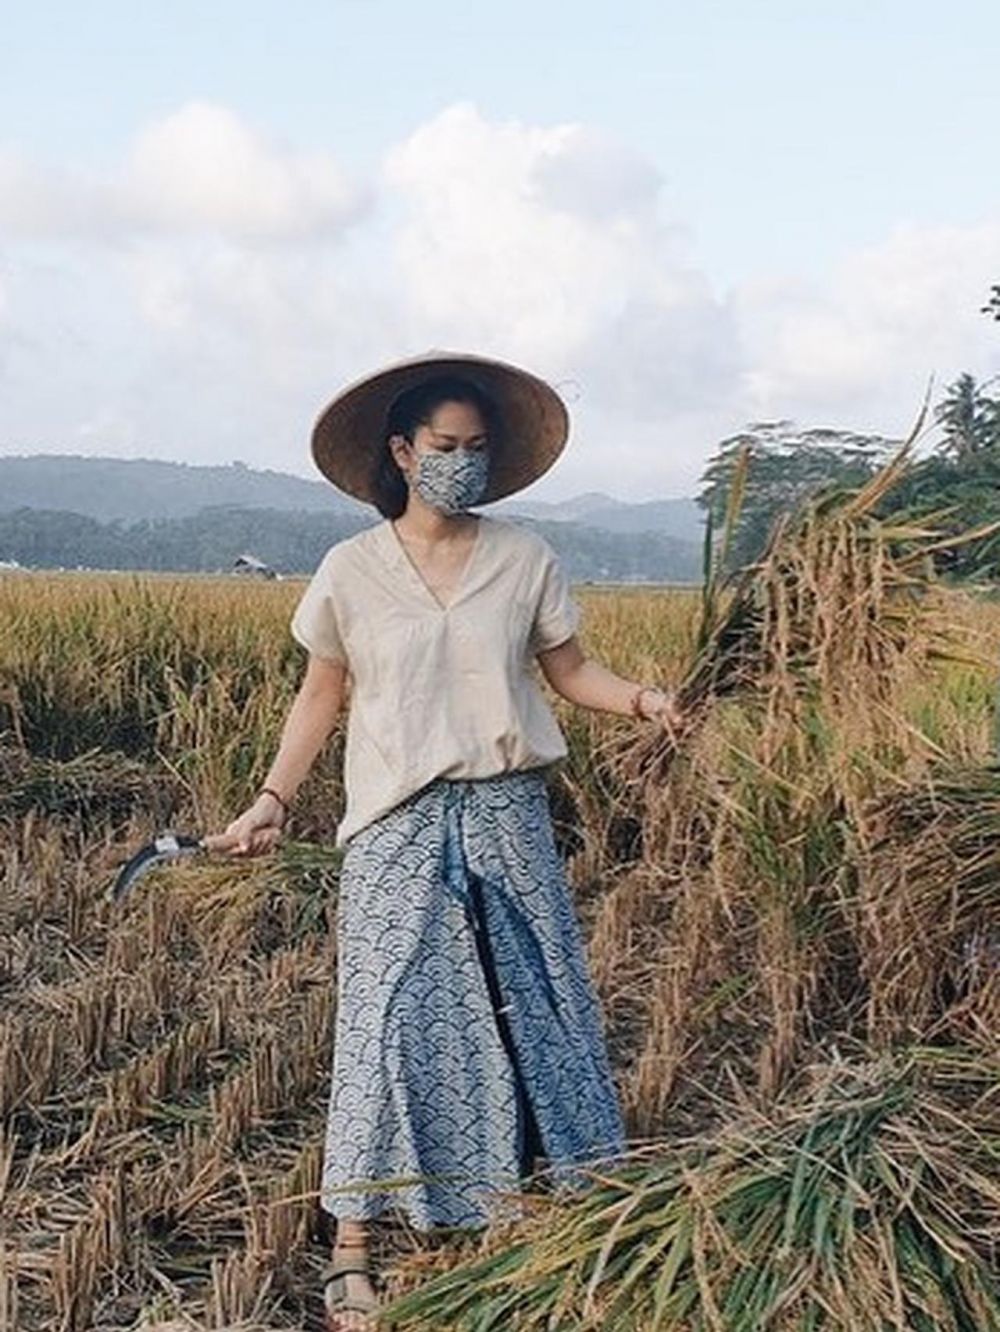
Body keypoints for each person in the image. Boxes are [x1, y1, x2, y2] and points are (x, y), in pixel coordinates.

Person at [204, 351, 684, 1331]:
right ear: (401, 451)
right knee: (383, 1020)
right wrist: (271, 797)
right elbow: (321, 695)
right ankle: (352, 1242)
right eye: (443, 446)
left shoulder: (524, 559)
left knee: (534, 1005)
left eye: (474, 448)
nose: (460, 462)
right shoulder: (352, 570)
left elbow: (570, 671)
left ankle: (555, 1210)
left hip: (506, 814)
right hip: (393, 822)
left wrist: (643, 700)